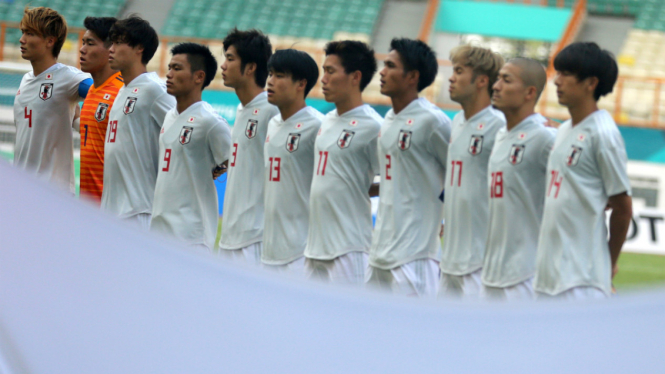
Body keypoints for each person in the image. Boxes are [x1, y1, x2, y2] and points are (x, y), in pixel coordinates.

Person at [534, 42, 632, 300]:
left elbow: (622, 207)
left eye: (566, 74)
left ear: (591, 83)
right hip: (548, 273)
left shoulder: (603, 135)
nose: (556, 81)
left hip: (581, 278)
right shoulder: (565, 129)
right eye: (558, 72)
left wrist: (608, 263)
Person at [366, 38, 451, 297]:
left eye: (390, 66)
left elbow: (461, 176)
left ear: (412, 76)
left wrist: (448, 217)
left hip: (415, 256)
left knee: (417, 335)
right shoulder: (389, 120)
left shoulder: (434, 122)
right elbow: (397, 181)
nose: (382, 72)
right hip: (379, 253)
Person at [304, 40, 381, 285]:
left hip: (349, 249)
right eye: (323, 71)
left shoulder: (373, 126)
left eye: (330, 71)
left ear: (355, 77)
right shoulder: (325, 121)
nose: (323, 79)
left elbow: (398, 179)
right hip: (313, 248)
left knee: (350, 322)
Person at [481, 58, 556, 301]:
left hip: (526, 276)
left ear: (529, 92)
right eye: (498, 78)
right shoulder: (502, 134)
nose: (496, 85)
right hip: (491, 273)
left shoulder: (546, 137)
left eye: (506, 80)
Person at [150, 43, 231, 250]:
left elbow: (232, 163)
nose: (168, 74)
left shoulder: (210, 123)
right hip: (159, 230)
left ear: (198, 77)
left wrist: (208, 173)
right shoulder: (169, 116)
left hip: (191, 236)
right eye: (169, 67)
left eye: (177, 68)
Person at [438, 45, 505, 298]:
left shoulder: (500, 125)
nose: (451, 77)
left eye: (458, 70)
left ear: (482, 81)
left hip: (481, 265)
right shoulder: (456, 122)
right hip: (450, 261)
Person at [100, 16, 176, 229]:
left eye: (117, 43)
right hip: (113, 211)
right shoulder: (122, 91)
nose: (110, 49)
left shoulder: (155, 90)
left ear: (139, 48)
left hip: (138, 211)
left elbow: (189, 128)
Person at [13, 7, 92, 192]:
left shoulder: (68, 77)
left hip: (53, 191)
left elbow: (103, 94)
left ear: (50, 41)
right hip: (22, 188)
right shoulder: (25, 79)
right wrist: (75, 119)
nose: (22, 39)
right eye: (23, 32)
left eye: (30, 33)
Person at [218, 29, 279, 264]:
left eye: (230, 59)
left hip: (255, 237)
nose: (223, 65)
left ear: (251, 67)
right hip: (231, 235)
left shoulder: (271, 111)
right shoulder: (243, 109)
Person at [261, 49, 323, 272]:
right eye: (270, 74)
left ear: (301, 84)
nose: (270, 81)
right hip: (268, 250)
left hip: (300, 253)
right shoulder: (272, 123)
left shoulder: (317, 126)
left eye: (279, 75)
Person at [79, 16, 123, 203]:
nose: (82, 49)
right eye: (83, 42)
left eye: (90, 43)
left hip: (113, 210)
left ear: (111, 49)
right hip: (88, 207)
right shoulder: (91, 91)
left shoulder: (124, 93)